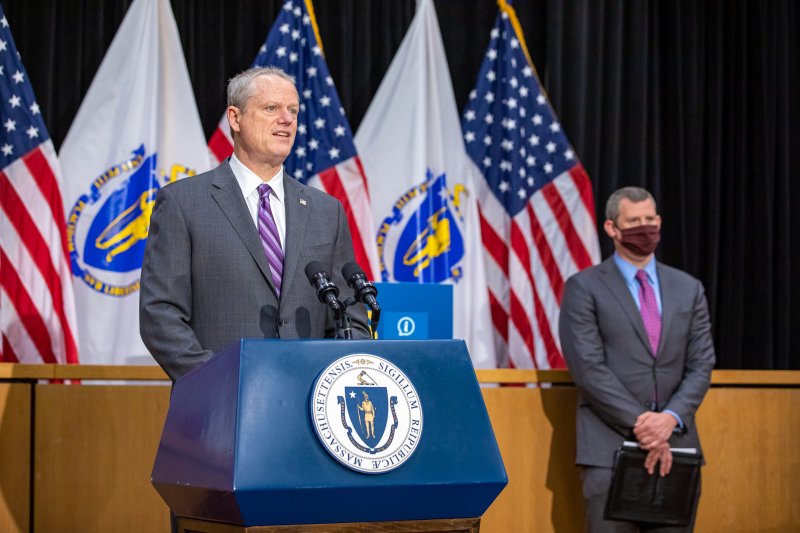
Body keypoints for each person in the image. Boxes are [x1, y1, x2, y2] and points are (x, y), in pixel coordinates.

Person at [140, 66, 369, 382]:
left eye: (293, 111)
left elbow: (350, 318)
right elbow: (160, 314)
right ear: (235, 118)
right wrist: (216, 380)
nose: (287, 120)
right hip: (220, 406)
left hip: (308, 404)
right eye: (272, 108)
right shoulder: (183, 203)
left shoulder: (325, 211)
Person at [559, 186, 715, 532]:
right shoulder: (583, 287)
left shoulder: (689, 288)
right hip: (608, 451)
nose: (644, 228)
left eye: (649, 220)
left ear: (659, 221)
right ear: (612, 228)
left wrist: (669, 419)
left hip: (678, 450)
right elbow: (587, 368)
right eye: (633, 221)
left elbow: (702, 364)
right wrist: (644, 423)